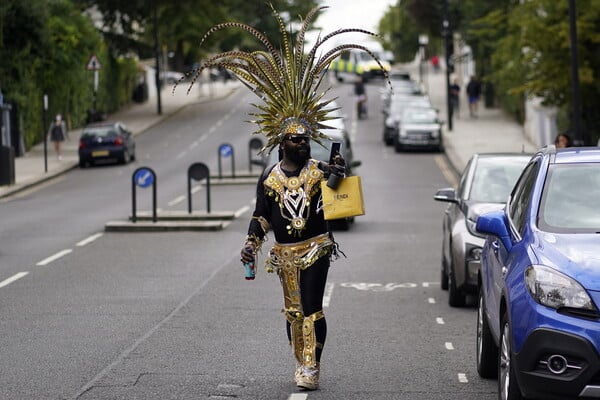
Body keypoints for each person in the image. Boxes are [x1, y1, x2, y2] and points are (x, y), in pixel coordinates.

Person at [182, 4, 389, 391]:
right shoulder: (270, 178)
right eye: (296, 138)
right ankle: (301, 359)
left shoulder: (318, 171)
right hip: (283, 254)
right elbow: (261, 216)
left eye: (306, 137)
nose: (303, 143)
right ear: (282, 142)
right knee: (293, 313)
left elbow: (338, 193)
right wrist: (250, 243)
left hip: (316, 248)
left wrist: (338, 171)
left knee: (312, 308)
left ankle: (311, 367)